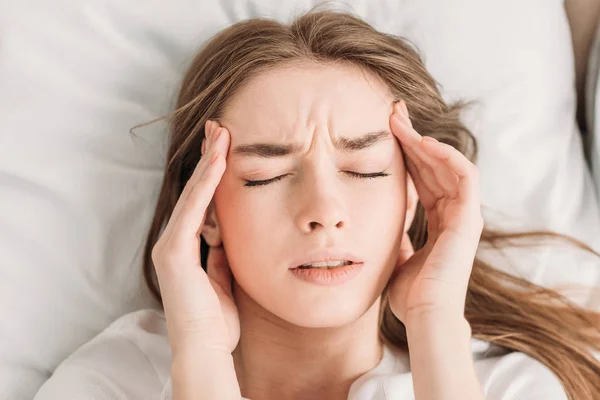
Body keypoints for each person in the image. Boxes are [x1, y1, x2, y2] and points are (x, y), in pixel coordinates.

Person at [35, 8, 600, 400]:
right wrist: (202, 362)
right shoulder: (109, 384)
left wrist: (435, 327)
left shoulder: (505, 387)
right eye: (266, 175)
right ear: (204, 211)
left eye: (365, 170)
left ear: (414, 195)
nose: (324, 210)